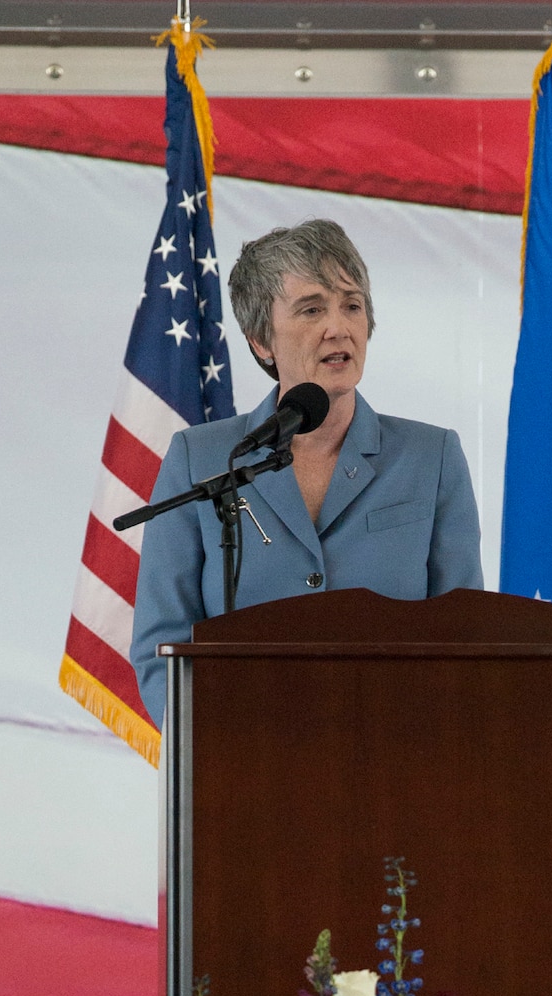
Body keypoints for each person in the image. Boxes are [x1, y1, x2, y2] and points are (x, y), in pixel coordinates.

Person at [130, 218, 484, 727]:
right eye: (312, 309)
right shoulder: (201, 458)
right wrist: (216, 754)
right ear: (261, 340)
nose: (339, 326)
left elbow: (465, 638)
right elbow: (160, 646)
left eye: (352, 305)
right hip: (248, 771)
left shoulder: (432, 457)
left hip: (396, 768)